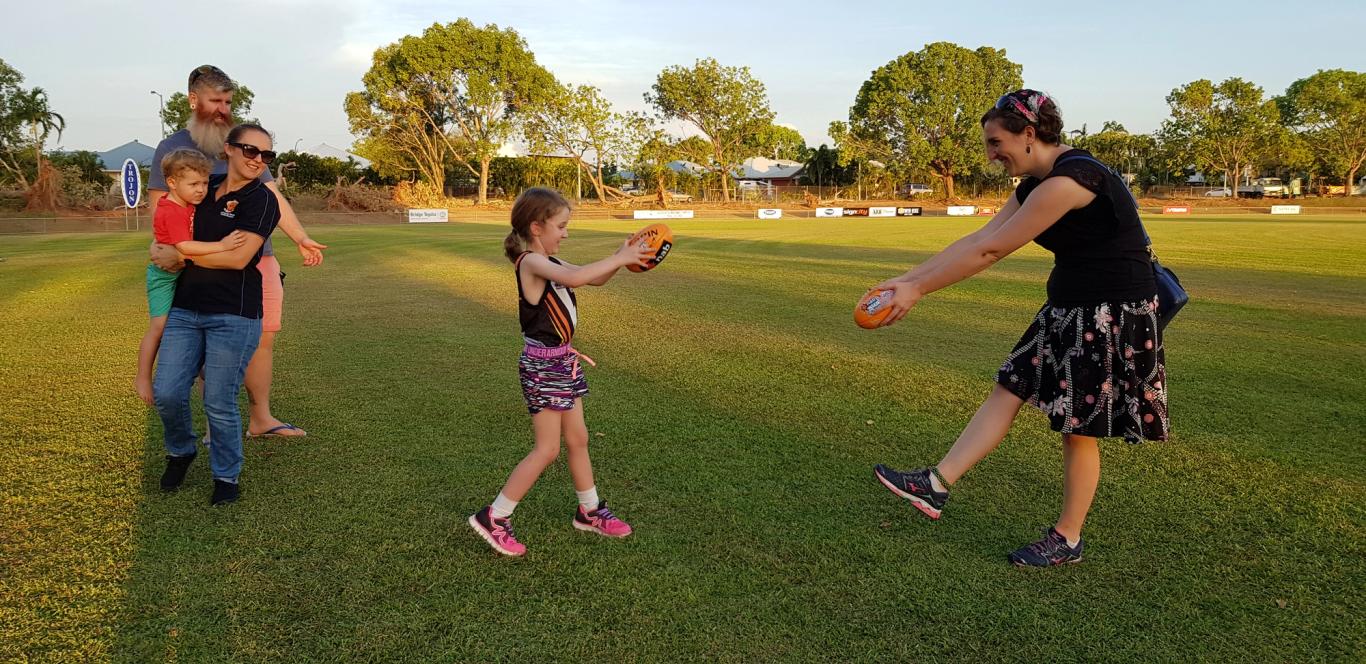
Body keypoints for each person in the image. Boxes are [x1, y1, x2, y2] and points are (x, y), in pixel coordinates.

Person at [870, 90, 1168, 567]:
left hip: (1111, 313)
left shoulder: (1071, 181)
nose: (991, 155)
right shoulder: (1034, 184)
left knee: (1079, 429)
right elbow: (979, 237)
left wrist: (920, 290)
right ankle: (935, 485)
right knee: (1008, 387)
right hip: (1069, 305)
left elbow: (992, 251)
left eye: (996, 142)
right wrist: (906, 281)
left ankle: (1068, 538)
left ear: (1029, 133)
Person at [468, 188, 654, 557]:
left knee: (578, 439)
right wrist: (619, 256)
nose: (566, 233)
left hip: (562, 362)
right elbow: (579, 277)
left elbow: (593, 278)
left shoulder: (551, 260)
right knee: (547, 449)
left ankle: (589, 511)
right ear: (536, 227)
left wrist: (621, 260)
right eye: (561, 226)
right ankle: (494, 516)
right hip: (542, 366)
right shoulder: (530, 263)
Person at [147, 64, 325, 438]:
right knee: (209, 342)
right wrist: (174, 252)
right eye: (215, 101)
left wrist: (300, 238)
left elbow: (273, 197)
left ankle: (262, 419)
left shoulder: (246, 146)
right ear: (193, 99)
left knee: (263, 338)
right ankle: (216, 427)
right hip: (203, 261)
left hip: (260, 257)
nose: (222, 110)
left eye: (228, 102)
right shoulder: (172, 149)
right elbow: (161, 211)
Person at [153, 124, 282, 506]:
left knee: (219, 400)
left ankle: (226, 476)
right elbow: (166, 229)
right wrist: (164, 249)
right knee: (167, 392)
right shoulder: (201, 188)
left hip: (234, 313)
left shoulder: (262, 200)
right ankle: (181, 451)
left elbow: (239, 258)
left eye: (266, 155)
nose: (258, 160)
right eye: (250, 150)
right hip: (186, 308)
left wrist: (181, 256)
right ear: (228, 149)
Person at [135, 149, 248, 404]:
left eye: (205, 183)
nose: (201, 190)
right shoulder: (172, 210)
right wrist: (223, 245)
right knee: (159, 327)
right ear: (172, 183)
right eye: (194, 184)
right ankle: (142, 377)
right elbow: (184, 247)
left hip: (185, 273)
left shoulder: (187, 203)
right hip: (164, 277)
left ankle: (201, 365)